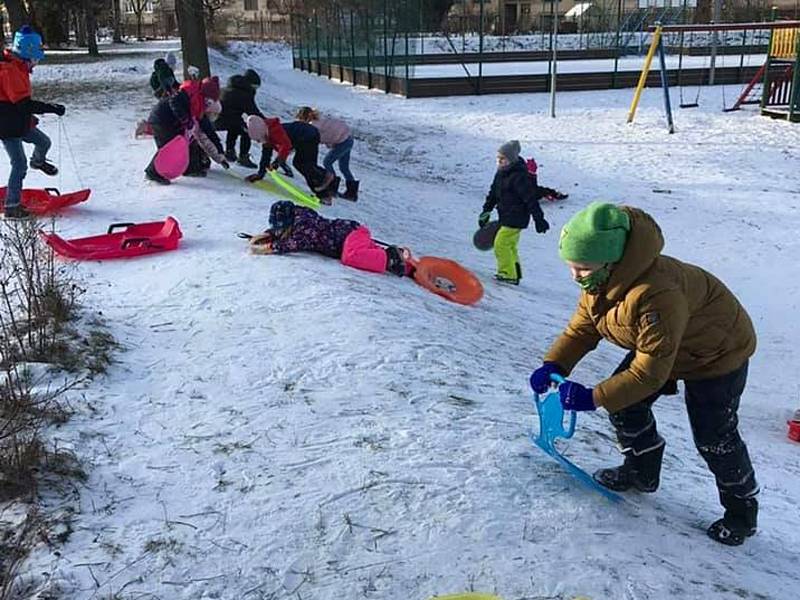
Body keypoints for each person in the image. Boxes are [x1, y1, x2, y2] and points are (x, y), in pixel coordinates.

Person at [529, 202, 759, 546]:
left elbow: (649, 373)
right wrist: (555, 365)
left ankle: (741, 515)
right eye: (571, 267)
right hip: (666, 346)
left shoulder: (657, 295)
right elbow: (582, 329)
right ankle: (641, 473)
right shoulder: (601, 281)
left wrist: (593, 397)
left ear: (611, 261)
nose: (575, 275)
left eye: (582, 268)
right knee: (625, 406)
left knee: (714, 437)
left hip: (715, 353)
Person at [247, 201, 413, 277]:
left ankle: (390, 257)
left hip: (350, 233)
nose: (279, 230)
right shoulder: (295, 221)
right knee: (361, 254)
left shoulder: (305, 226)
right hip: (348, 239)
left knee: (350, 257)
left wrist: (269, 248)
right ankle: (405, 266)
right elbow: (282, 232)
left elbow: (292, 243)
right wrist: (267, 234)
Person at [1, 26, 65, 220]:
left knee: (44, 142)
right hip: (6, 125)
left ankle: (38, 161)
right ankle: (12, 206)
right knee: (19, 164)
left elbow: (21, 105)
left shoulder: (19, 66)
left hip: (19, 120)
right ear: (27, 54)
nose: (36, 64)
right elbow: (22, 103)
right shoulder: (10, 70)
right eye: (36, 59)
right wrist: (50, 107)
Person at [478, 140, 549, 285]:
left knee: (501, 244)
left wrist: (539, 219)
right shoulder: (500, 174)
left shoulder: (519, 176)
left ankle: (507, 273)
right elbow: (493, 194)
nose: (499, 161)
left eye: (502, 159)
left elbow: (531, 200)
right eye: (498, 158)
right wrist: (486, 211)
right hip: (505, 215)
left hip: (517, 217)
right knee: (510, 245)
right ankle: (515, 273)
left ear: (511, 159)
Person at [145, 76, 228, 184]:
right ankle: (152, 173)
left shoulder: (200, 106)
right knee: (168, 147)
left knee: (186, 143)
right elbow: (174, 102)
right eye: (209, 99)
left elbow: (209, 132)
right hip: (161, 119)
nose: (208, 102)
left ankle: (189, 169)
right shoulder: (188, 92)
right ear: (205, 94)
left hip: (172, 123)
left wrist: (220, 152)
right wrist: (186, 119)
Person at [245, 115, 338, 203]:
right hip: (304, 136)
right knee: (304, 165)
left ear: (264, 133)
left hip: (308, 135)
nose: (261, 142)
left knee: (304, 164)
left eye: (260, 139)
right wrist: (260, 174)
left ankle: (324, 190)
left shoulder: (275, 131)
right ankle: (332, 184)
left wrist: (277, 162)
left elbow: (286, 145)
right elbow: (265, 157)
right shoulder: (267, 136)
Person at [296, 106, 358, 201]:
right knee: (344, 167)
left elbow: (314, 139)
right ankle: (352, 193)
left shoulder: (314, 126)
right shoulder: (321, 119)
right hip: (347, 138)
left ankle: (332, 186)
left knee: (327, 162)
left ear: (305, 117)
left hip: (343, 142)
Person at [216, 69, 263, 168]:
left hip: (216, 119)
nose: (255, 90)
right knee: (246, 131)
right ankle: (243, 157)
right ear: (250, 84)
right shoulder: (244, 94)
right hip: (226, 120)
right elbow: (253, 112)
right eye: (255, 87)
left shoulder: (228, 88)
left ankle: (229, 151)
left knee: (235, 126)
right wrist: (267, 121)